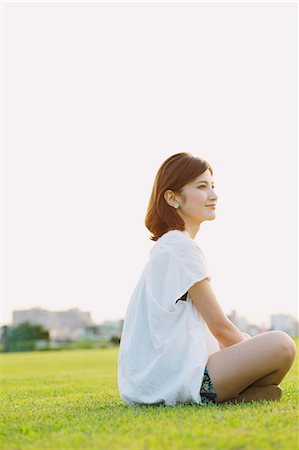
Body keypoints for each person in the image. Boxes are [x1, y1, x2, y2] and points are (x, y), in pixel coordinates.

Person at [117, 152, 297, 406]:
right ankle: (236, 394)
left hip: (150, 385)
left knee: (260, 344)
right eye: (202, 187)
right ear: (172, 198)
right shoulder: (180, 247)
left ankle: (242, 395)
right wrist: (257, 354)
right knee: (281, 345)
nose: (213, 195)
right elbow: (220, 328)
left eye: (213, 186)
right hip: (181, 383)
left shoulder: (168, 246)